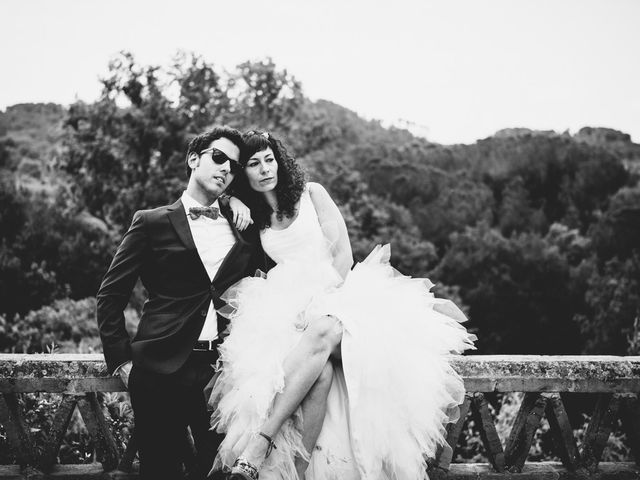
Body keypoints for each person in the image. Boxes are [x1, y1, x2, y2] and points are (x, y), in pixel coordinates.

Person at [209, 130, 477, 480]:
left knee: (325, 326)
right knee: (319, 375)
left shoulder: (312, 193)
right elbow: (209, 201)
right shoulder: (256, 217)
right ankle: (297, 469)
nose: (264, 169)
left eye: (269, 160)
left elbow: (342, 257)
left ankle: (259, 444)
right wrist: (232, 200)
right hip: (285, 302)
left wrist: (317, 303)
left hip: (339, 292)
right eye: (254, 164)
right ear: (244, 172)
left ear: (280, 160)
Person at [96, 126, 267, 480]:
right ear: (193, 159)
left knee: (218, 470)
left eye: (234, 166)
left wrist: (237, 201)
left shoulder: (243, 226)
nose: (225, 169)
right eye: (218, 157)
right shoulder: (150, 222)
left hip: (221, 373)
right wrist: (121, 362)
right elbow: (111, 295)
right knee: (160, 470)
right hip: (158, 369)